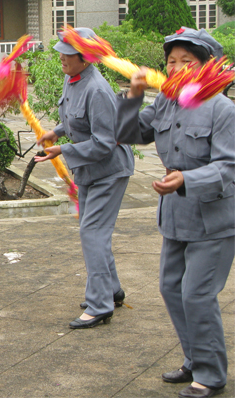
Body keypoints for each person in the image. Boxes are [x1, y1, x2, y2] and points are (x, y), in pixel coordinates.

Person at [116, 27, 234, 398]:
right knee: (171, 289)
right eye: (171, 61)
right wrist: (133, 96)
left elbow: (229, 168)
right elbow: (127, 133)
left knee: (197, 294)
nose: (178, 67)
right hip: (176, 215)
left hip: (214, 218)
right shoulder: (166, 102)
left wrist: (186, 178)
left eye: (188, 61)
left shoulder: (222, 108)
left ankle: (211, 375)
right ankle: (195, 358)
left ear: (207, 66)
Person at [35, 27, 134, 329]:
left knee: (93, 232)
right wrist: (57, 131)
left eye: (67, 53)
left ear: (85, 57)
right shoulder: (72, 78)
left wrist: (62, 149)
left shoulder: (98, 90)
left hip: (109, 170)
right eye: (61, 52)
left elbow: (105, 142)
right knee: (93, 231)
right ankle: (112, 290)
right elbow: (74, 117)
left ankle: (100, 304)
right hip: (89, 170)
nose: (61, 58)